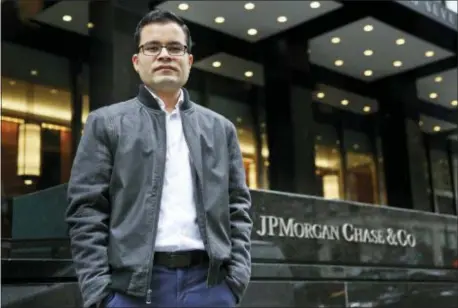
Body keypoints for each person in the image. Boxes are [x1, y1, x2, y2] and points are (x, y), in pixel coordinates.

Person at [65, 9, 252, 308]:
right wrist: (101, 294)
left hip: (210, 288)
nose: (164, 54)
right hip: (131, 292)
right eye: (152, 47)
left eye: (175, 48)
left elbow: (238, 208)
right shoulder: (106, 123)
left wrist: (235, 282)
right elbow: (86, 212)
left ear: (189, 61)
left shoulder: (221, 130)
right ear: (137, 62)